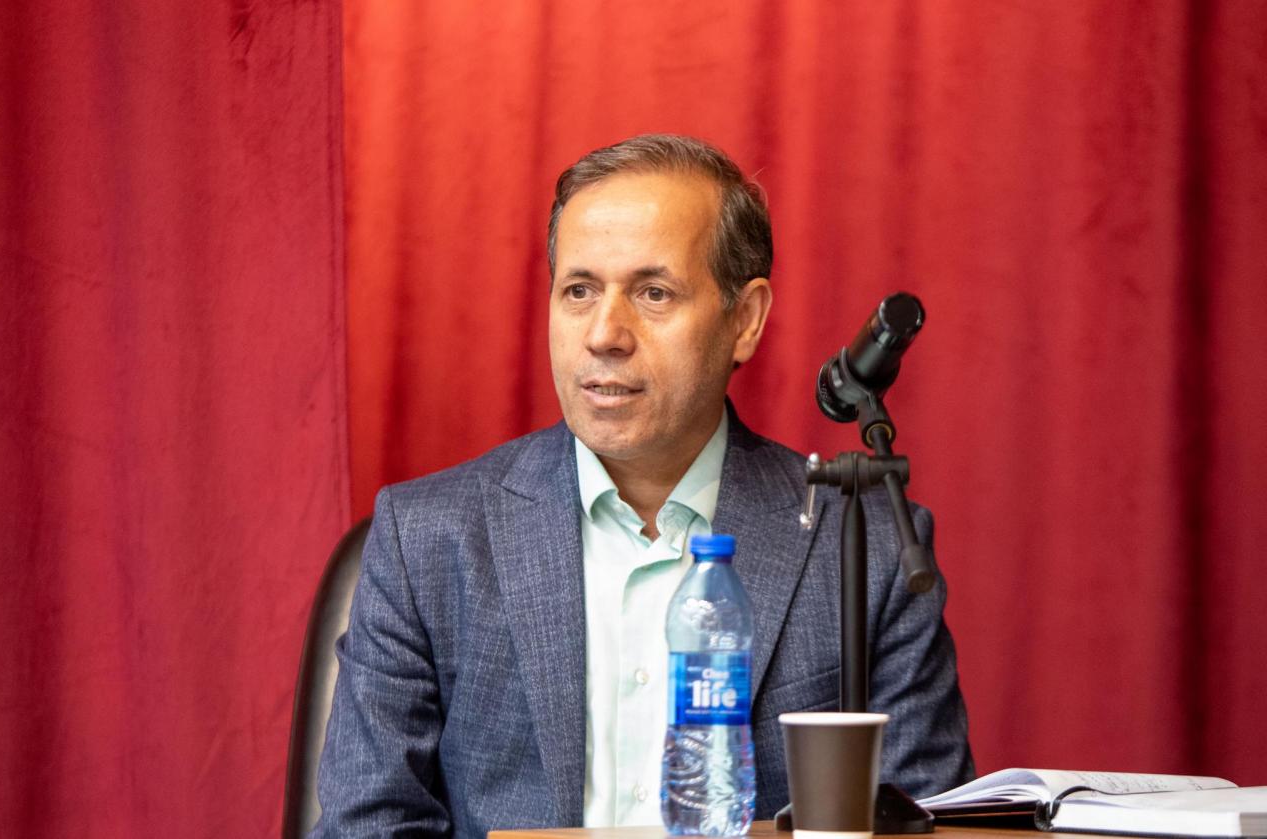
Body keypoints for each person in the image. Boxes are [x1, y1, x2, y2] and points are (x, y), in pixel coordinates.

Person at [312, 134, 973, 839]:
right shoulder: (426, 540)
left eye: (653, 293)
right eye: (579, 291)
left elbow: (933, 823)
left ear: (745, 320)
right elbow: (366, 826)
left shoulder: (865, 546)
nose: (604, 334)